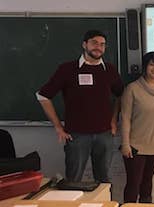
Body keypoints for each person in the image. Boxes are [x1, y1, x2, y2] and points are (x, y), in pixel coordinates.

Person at [36, 30, 124, 183]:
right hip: (76, 135)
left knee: (103, 181)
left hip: (104, 135)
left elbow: (121, 96)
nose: (98, 47)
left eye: (102, 44)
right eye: (94, 43)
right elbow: (43, 96)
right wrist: (57, 126)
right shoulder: (67, 69)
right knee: (74, 179)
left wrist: (114, 120)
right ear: (85, 44)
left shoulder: (109, 70)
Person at [120, 51, 154, 203]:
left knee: (147, 185)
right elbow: (125, 118)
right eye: (152, 64)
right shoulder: (132, 89)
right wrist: (125, 144)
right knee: (134, 185)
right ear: (145, 67)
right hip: (135, 147)